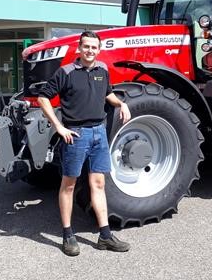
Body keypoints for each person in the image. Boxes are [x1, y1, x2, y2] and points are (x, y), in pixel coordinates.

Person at [38, 31, 132, 256]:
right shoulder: (67, 72)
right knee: (68, 185)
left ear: (99, 50)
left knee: (98, 184)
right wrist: (59, 127)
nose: (90, 51)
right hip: (76, 135)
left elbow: (107, 94)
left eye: (94, 47)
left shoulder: (102, 70)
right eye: (86, 47)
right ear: (79, 49)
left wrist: (122, 104)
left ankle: (105, 236)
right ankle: (68, 235)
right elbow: (43, 98)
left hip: (99, 133)